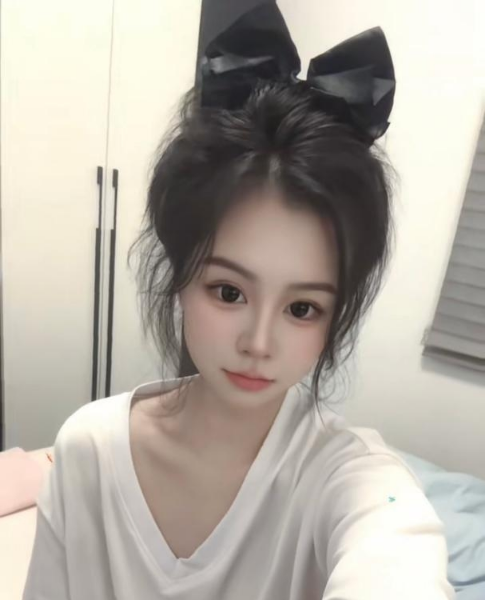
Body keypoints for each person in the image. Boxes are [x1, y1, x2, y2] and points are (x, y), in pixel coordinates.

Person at [23, 4, 455, 599]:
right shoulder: (89, 449)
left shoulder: (349, 479)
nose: (258, 342)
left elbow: (396, 555)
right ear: (179, 271)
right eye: (229, 292)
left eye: (302, 309)